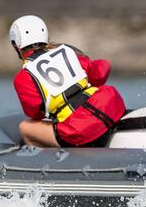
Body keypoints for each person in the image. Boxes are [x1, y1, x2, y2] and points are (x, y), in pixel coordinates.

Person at [10, 15, 126, 147]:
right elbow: (99, 73)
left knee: (25, 127)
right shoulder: (69, 53)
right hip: (110, 106)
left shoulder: (23, 77)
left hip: (79, 129)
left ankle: (48, 162)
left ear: (16, 45)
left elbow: (34, 113)